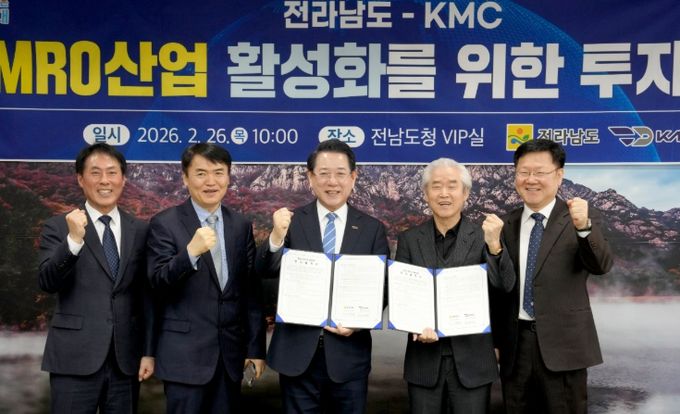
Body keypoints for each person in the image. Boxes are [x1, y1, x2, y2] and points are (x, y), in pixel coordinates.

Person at [257, 139, 389, 414]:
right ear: (310, 177)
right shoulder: (291, 222)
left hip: (348, 356)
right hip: (297, 354)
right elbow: (264, 270)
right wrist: (276, 237)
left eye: (340, 173)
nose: (332, 182)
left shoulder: (372, 229)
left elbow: (383, 288)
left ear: (353, 177)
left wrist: (358, 322)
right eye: (324, 173)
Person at [492, 139, 614, 413]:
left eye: (540, 172)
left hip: (564, 347)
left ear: (559, 175)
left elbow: (601, 265)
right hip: (515, 348)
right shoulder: (507, 224)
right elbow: (500, 289)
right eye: (523, 172)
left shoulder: (580, 218)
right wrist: (496, 341)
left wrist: (584, 228)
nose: (530, 179)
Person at [146, 143, 266, 414]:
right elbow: (157, 281)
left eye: (218, 172)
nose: (211, 181)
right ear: (185, 178)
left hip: (230, 357)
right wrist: (190, 253)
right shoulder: (165, 223)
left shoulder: (240, 225)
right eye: (201, 173)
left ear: (228, 177)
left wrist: (255, 349)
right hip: (184, 358)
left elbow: (250, 292)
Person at [38, 143, 155, 413]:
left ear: (123, 179)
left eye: (112, 172)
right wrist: (73, 241)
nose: (105, 180)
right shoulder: (58, 227)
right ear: (80, 179)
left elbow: (147, 296)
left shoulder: (140, 229)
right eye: (95, 172)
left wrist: (148, 351)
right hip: (73, 358)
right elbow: (47, 281)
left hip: (125, 360)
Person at [394, 158, 515, 414]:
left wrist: (495, 246)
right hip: (423, 361)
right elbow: (401, 295)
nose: (444, 193)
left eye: (452, 186)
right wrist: (414, 324)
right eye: (436, 186)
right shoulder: (409, 240)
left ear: (466, 193)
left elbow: (505, 287)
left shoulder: (485, 236)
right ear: (425, 193)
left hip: (474, 361)